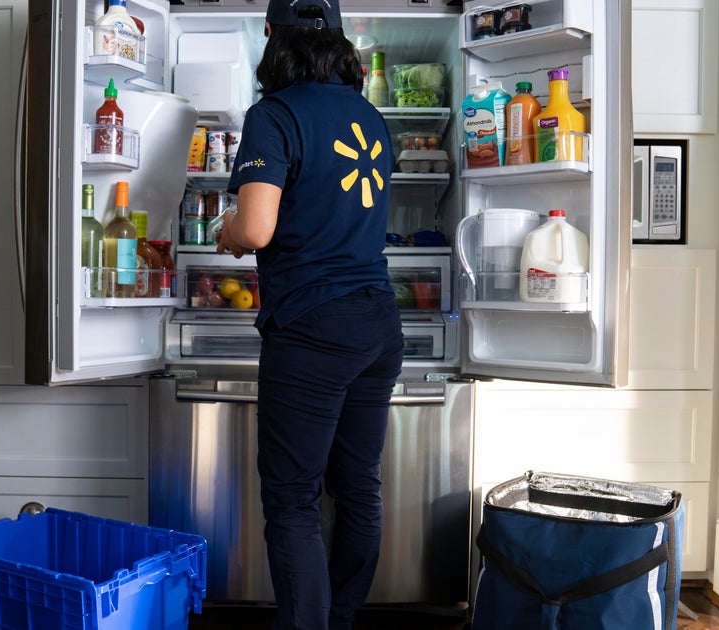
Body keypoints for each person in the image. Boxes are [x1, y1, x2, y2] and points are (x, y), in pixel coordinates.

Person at [215, 1, 404, 628]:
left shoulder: (273, 114)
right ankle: (338, 619)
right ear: (338, 40)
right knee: (358, 488)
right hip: (378, 321)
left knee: (294, 498)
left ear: (271, 35)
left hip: (314, 327)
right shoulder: (369, 116)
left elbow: (257, 229)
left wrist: (228, 230)